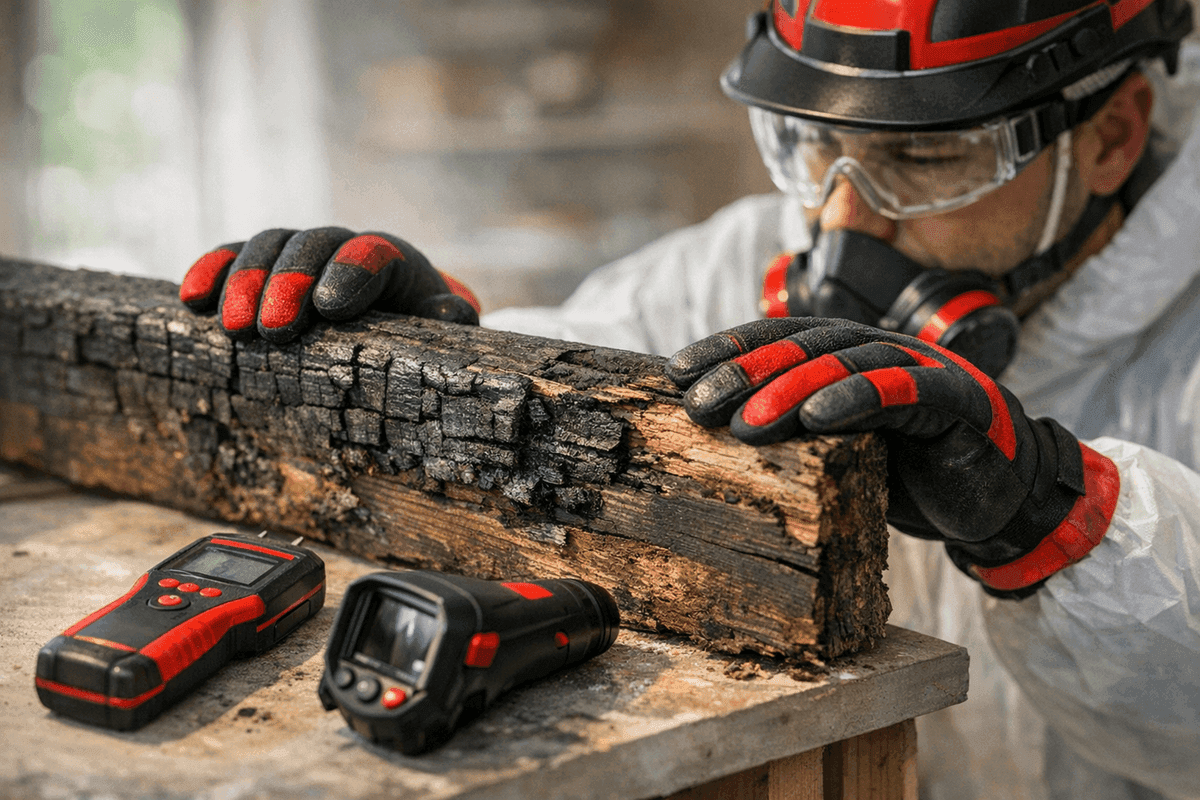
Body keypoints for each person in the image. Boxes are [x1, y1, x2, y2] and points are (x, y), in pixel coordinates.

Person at [179, 2, 1200, 797]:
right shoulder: (741, 265)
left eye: (926, 157)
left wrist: (1047, 510)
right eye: (815, 146)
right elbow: (575, 379)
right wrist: (435, 355)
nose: (841, 215)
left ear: (1111, 136)